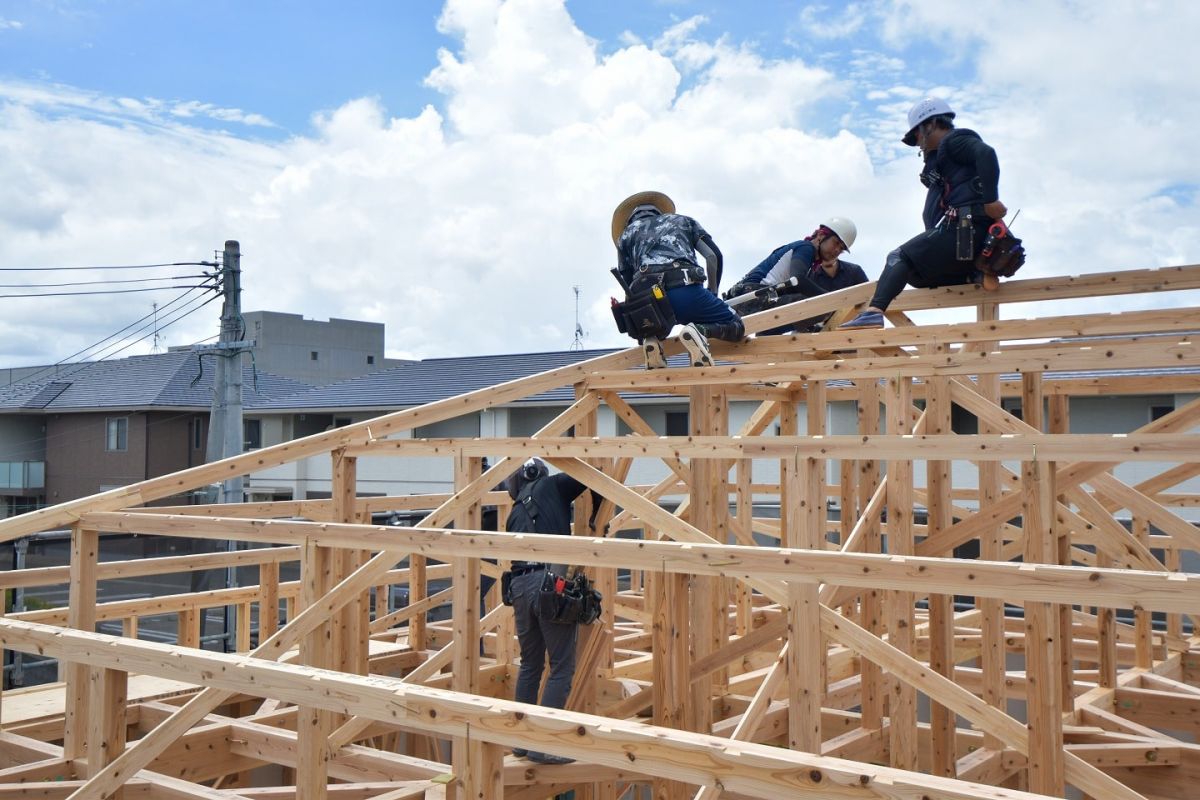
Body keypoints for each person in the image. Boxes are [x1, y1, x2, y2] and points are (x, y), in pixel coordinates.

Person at [841, 97, 1008, 329]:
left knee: (898, 257)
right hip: (970, 237)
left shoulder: (955, 140)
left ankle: (874, 311)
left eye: (917, 135)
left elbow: (986, 154)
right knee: (916, 275)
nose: (918, 143)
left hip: (965, 227)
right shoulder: (944, 158)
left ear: (930, 125)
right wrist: (933, 166)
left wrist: (991, 199)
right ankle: (973, 274)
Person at [504, 457, 592, 765]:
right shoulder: (553, 486)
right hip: (546, 583)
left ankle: (521, 742)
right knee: (562, 667)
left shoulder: (514, 511)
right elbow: (588, 477)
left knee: (530, 665)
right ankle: (543, 744)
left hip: (518, 587)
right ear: (539, 474)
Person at [612, 191, 745, 369]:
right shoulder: (683, 221)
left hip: (650, 306)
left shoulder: (625, 236)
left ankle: (652, 342)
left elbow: (627, 282)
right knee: (736, 325)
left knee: (657, 325)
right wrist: (712, 292)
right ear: (659, 211)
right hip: (685, 291)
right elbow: (713, 256)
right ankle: (700, 331)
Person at [723, 217, 867, 333]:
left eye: (841, 249)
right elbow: (797, 279)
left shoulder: (808, 262)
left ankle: (771, 335)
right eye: (836, 243)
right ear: (821, 235)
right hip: (751, 297)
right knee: (819, 305)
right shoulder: (806, 248)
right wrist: (833, 300)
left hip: (751, 300)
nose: (837, 250)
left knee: (810, 306)